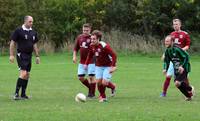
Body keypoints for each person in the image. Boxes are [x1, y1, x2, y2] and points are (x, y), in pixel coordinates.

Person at [9, 15, 40, 100]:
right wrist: (11, 55)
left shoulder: (33, 32)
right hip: (21, 55)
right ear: (25, 21)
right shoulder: (18, 31)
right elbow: (12, 43)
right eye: (30, 21)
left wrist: (37, 56)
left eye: (32, 22)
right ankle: (16, 94)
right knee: (23, 74)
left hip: (29, 55)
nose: (31, 23)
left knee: (27, 75)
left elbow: (34, 44)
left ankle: (23, 94)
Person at [160, 18, 192, 97]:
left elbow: (188, 45)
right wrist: (165, 54)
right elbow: (169, 48)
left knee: (184, 78)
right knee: (169, 76)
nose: (175, 26)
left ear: (180, 25)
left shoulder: (185, 34)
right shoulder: (172, 34)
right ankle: (164, 92)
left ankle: (189, 91)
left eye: (176, 24)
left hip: (182, 58)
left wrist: (181, 50)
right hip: (173, 59)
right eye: (174, 24)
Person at [84, 30, 117, 102]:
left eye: (94, 39)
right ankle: (103, 95)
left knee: (104, 82)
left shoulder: (104, 46)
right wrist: (86, 64)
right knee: (98, 82)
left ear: (98, 39)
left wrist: (113, 66)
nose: (92, 40)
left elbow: (114, 55)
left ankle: (103, 97)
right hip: (98, 66)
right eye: (91, 39)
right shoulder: (91, 46)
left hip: (108, 65)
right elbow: (90, 55)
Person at [163, 35, 194, 101]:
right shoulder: (167, 51)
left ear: (172, 42)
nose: (166, 43)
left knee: (177, 82)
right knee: (177, 84)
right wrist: (165, 68)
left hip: (184, 67)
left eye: (168, 41)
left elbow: (186, 57)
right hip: (176, 69)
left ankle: (190, 90)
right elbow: (166, 61)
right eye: (165, 41)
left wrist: (182, 66)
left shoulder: (177, 49)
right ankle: (189, 95)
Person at [73, 23, 96, 98]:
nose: (85, 32)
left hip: (91, 61)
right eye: (84, 30)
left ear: (90, 30)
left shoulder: (93, 38)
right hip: (82, 61)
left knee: (91, 77)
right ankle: (90, 88)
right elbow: (75, 49)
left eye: (87, 30)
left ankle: (92, 94)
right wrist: (74, 57)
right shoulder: (79, 37)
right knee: (80, 77)